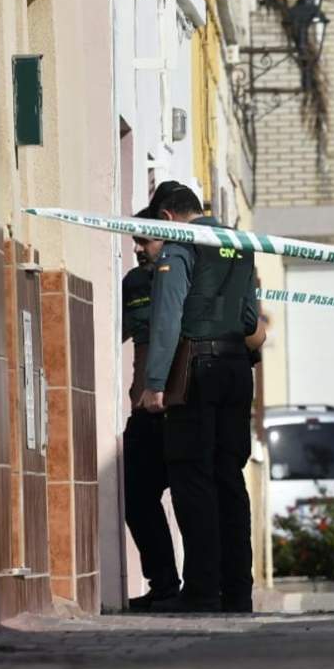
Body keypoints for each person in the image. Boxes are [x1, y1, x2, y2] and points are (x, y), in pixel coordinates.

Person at [140, 181, 261, 614]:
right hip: (235, 369)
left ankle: (202, 592)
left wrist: (155, 383)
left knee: (193, 480)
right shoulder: (239, 243)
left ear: (168, 217)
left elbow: (168, 317)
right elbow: (249, 318)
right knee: (230, 480)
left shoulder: (181, 245)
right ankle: (237, 593)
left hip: (197, 370)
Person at [121, 209, 181, 611]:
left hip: (183, 405)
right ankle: (163, 585)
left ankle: (206, 588)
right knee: (138, 499)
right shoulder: (135, 282)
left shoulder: (187, 274)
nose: (138, 249)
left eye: (144, 240)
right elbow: (121, 329)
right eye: (135, 242)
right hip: (145, 409)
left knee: (195, 500)